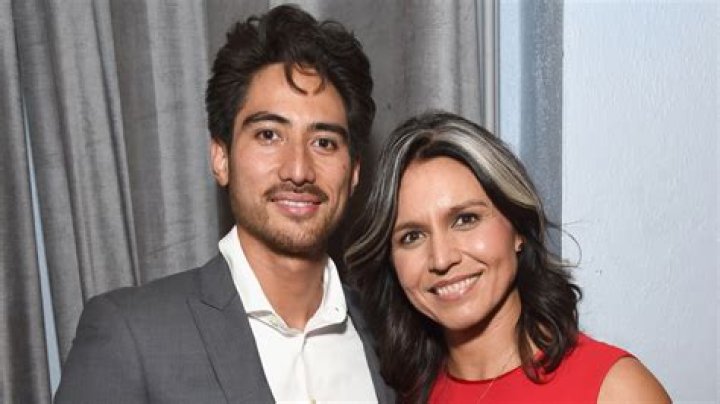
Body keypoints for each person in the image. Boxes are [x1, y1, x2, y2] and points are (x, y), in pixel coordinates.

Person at [55, 5, 393, 403]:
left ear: (353, 173)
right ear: (221, 158)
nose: (298, 170)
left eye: (324, 142)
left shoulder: (390, 336)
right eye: (269, 135)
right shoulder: (132, 336)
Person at [345, 111, 670, 403]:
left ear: (517, 228)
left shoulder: (615, 391)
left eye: (466, 219)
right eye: (412, 236)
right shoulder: (399, 395)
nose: (441, 259)